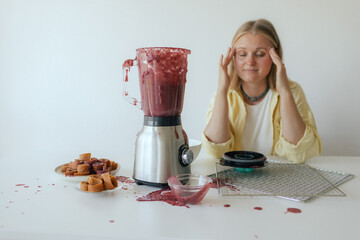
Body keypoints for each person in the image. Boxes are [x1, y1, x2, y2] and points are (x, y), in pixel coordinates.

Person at [202, 19, 322, 163]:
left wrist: (284, 92)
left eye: (259, 54)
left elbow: (298, 151)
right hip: (236, 179)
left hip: (278, 179)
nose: (250, 61)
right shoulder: (225, 95)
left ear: (275, 56)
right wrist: (222, 90)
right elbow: (216, 151)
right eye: (242, 54)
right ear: (233, 57)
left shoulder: (292, 92)